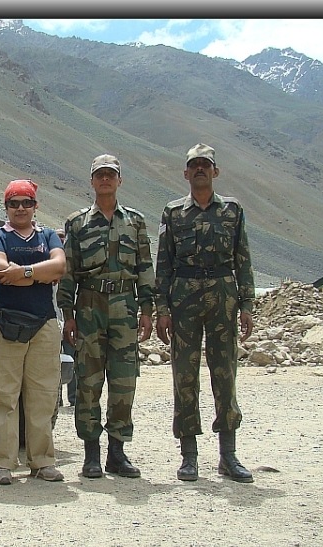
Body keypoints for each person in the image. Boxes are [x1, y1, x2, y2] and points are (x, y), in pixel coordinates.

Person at [154, 143, 256, 484]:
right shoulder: (173, 212)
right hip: (184, 297)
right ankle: (189, 456)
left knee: (225, 373)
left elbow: (243, 259)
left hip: (223, 296)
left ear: (215, 171)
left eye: (205, 164)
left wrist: (247, 305)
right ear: (185, 173)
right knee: (184, 375)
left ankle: (228, 455)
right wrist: (162, 309)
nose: (200, 169)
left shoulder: (232, 210)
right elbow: (164, 263)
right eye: (194, 165)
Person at [56, 154, 155, 479]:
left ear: (119, 180)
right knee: (88, 381)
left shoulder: (135, 221)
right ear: (92, 180)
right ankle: (91, 454)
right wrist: (67, 314)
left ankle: (117, 452)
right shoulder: (78, 222)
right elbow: (68, 270)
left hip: (125, 306)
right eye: (99, 175)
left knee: (124, 381)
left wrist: (147, 309)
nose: (105, 180)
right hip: (89, 306)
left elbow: (144, 266)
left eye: (111, 174)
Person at [0, 179, 67, 485]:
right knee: (3, 394)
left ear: (35, 206)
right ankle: (2, 464)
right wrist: (39, 276)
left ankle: (43, 461)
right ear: (6, 207)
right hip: (5, 323)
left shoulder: (47, 235)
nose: (21, 208)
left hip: (44, 322)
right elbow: (0, 271)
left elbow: (59, 267)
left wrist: (26, 273)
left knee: (43, 394)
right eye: (14, 203)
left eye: (26, 203)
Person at [54, 228, 77, 407]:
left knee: (72, 359)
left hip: (70, 321)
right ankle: (57, 398)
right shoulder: (48, 265)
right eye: (58, 238)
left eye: (63, 238)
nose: (61, 240)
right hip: (53, 322)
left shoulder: (73, 265)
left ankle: (74, 397)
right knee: (55, 361)